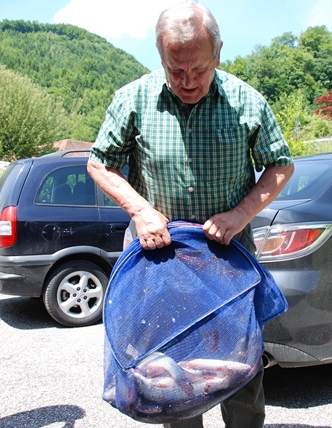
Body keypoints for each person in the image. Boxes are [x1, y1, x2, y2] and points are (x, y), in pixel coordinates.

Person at [88, 2, 294, 427]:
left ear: (217, 54)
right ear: (161, 57)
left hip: (228, 267)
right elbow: (99, 164)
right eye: (175, 69)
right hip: (160, 266)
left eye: (198, 69)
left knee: (242, 374)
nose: (187, 81)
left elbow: (281, 166)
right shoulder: (133, 99)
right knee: (169, 379)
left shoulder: (247, 101)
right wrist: (141, 210)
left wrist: (240, 214)